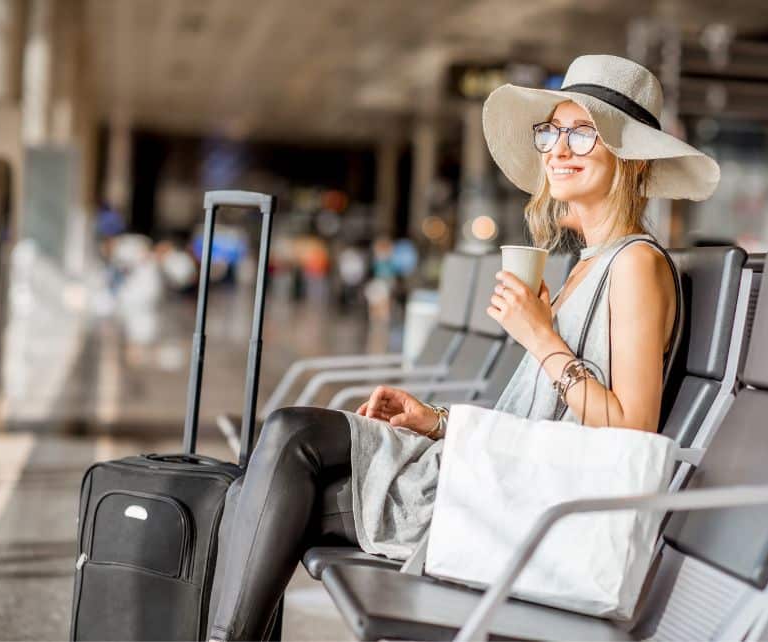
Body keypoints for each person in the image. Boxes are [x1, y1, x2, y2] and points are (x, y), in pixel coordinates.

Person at [207, 54, 720, 641]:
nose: (558, 148)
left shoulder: (635, 265)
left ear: (627, 156)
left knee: (283, 455)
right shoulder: (587, 267)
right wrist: (438, 421)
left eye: (583, 132)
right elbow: (537, 416)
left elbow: (632, 433)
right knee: (286, 439)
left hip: (531, 511)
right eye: (552, 131)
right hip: (503, 483)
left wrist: (539, 335)